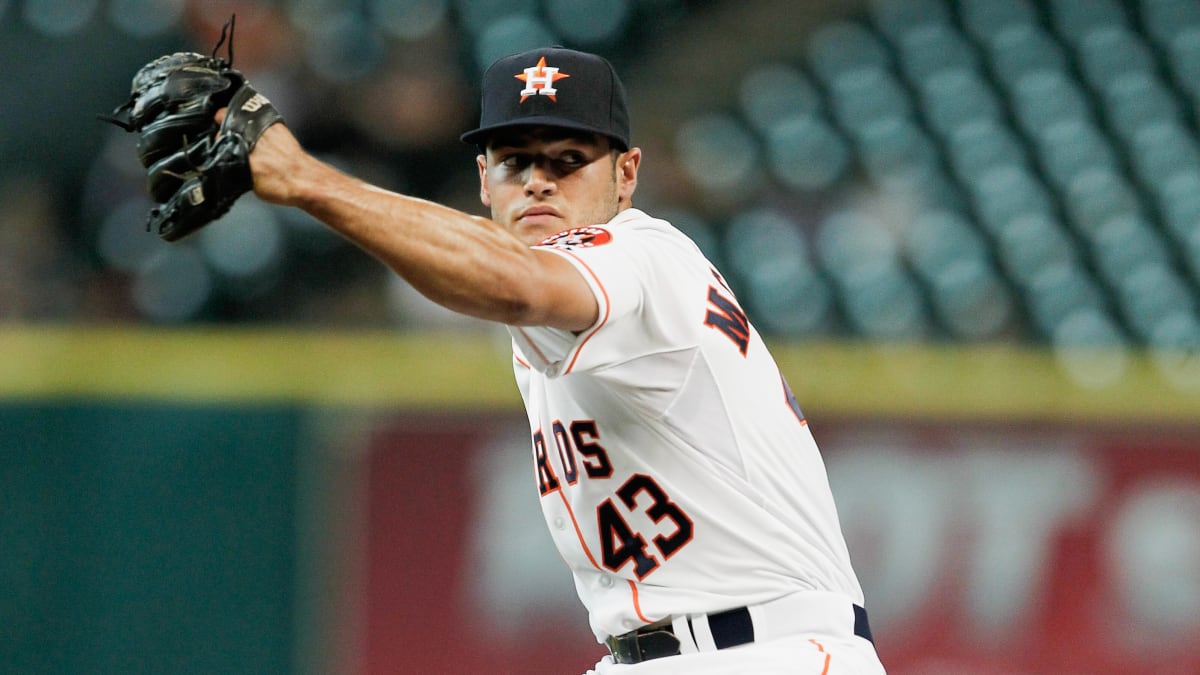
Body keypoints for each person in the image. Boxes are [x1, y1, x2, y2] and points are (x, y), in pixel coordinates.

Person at [244, 46, 885, 674]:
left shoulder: (639, 255)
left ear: (626, 174)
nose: (538, 180)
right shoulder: (569, 302)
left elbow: (517, 283)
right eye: (514, 161)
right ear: (483, 182)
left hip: (766, 651)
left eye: (569, 159)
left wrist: (305, 179)